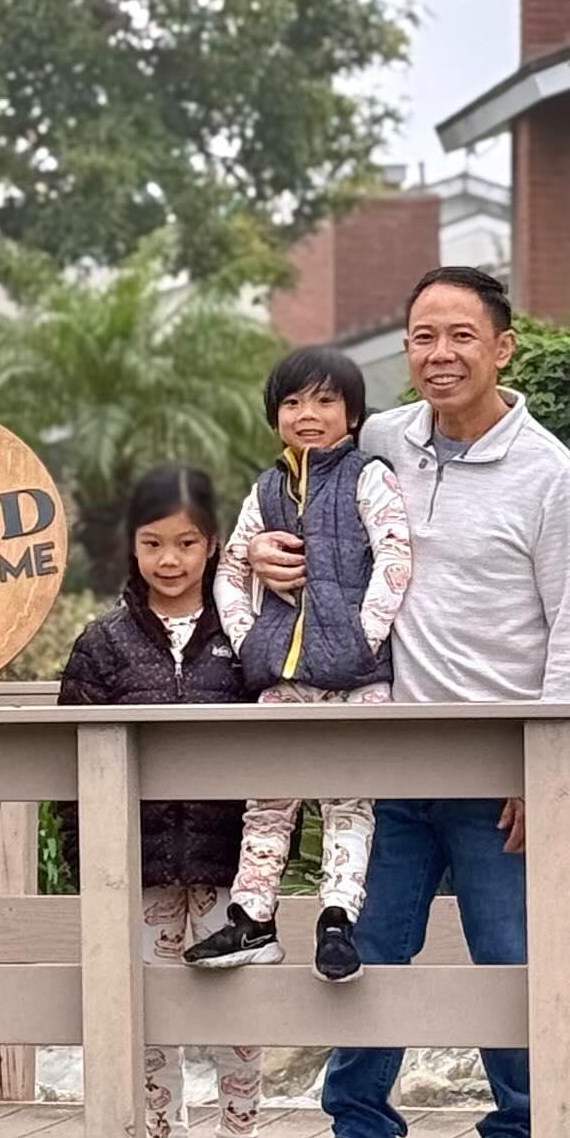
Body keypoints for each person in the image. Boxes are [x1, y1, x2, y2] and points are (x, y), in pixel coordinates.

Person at [282, 265, 570, 1138]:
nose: (441, 354)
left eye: (461, 335)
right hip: (388, 759)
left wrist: (548, 771)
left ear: (503, 348)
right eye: (424, 336)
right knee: (365, 951)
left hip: (503, 771)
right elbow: (292, 494)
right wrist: (260, 550)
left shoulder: (555, 479)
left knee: (513, 960)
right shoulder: (382, 440)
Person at [56, 465, 264, 1138]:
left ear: (213, 545)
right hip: (136, 864)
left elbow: (278, 750)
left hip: (227, 864)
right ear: (132, 545)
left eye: (186, 543)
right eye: (152, 543)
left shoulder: (246, 637)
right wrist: (89, 865)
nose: (169, 560)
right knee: (145, 1011)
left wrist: (263, 868)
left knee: (236, 1013)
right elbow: (73, 774)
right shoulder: (102, 644)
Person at [185, 343, 413, 985]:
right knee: (267, 799)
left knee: (349, 801)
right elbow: (230, 568)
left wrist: (361, 639)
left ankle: (337, 920)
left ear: (353, 414)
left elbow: (395, 558)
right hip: (282, 678)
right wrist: (249, 638)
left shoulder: (369, 477)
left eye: (325, 401)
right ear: (275, 416)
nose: (307, 414)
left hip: (359, 681)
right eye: (291, 402)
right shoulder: (266, 490)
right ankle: (252, 919)